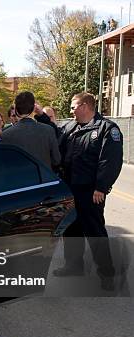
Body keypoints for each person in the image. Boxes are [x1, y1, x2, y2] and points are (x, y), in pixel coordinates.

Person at [54, 92, 123, 291]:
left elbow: (110, 161)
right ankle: (74, 266)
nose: (71, 110)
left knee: (95, 232)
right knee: (71, 230)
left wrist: (101, 187)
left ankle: (106, 273)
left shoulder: (107, 129)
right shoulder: (70, 128)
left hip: (91, 191)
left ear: (85, 106)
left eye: (73, 106)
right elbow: (56, 150)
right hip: (69, 188)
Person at [1, 91, 60, 170]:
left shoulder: (5, 134)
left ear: (16, 110)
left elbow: (4, 163)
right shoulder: (48, 130)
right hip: (43, 178)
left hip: (18, 179)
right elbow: (56, 160)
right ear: (33, 108)